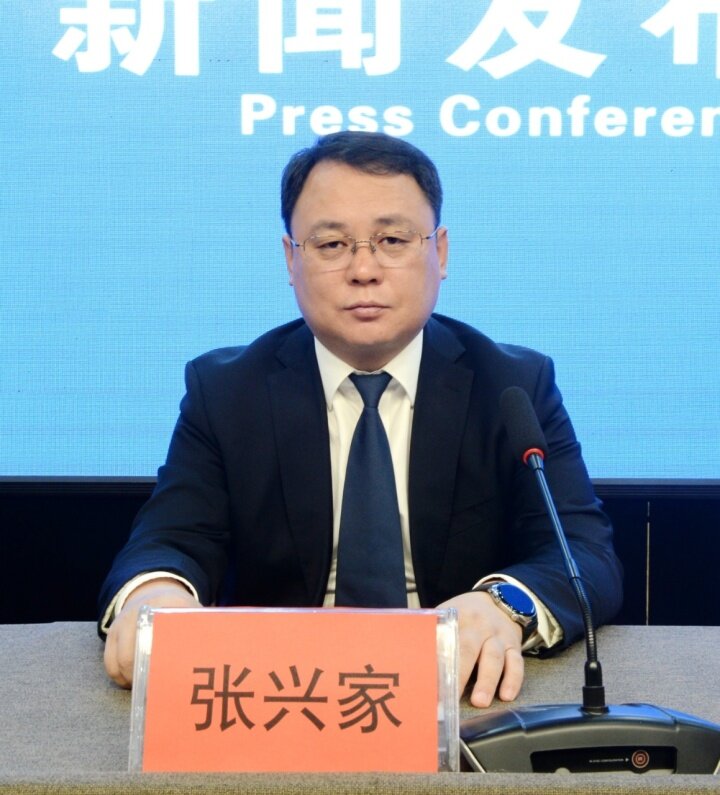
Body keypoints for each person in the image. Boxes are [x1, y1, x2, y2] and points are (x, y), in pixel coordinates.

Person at [99, 131, 622, 706]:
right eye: (331, 245)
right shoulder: (227, 391)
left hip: (460, 696)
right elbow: (170, 538)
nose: (364, 269)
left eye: (393, 240)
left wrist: (501, 605)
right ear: (291, 259)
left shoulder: (512, 385)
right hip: (280, 697)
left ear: (440, 253)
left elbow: (582, 552)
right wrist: (154, 597)